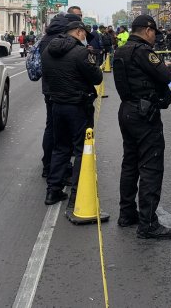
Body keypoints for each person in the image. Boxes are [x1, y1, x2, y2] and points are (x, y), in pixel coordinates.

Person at [113, 15, 171, 239]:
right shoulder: (143, 51)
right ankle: (148, 223)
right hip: (144, 114)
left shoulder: (120, 50)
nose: (154, 39)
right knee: (150, 166)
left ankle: (126, 213)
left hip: (127, 110)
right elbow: (164, 76)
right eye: (154, 34)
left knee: (130, 163)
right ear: (148, 31)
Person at [43, 20, 103, 206]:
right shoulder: (81, 52)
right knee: (81, 151)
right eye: (84, 33)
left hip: (57, 105)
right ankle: (78, 194)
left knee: (60, 148)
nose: (85, 37)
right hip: (78, 106)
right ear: (77, 32)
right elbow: (97, 77)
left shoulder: (48, 51)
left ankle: (53, 191)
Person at [38, 12, 82, 179]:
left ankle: (48, 166)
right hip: (65, 91)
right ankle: (61, 170)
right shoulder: (65, 40)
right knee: (64, 135)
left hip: (49, 88)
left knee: (51, 127)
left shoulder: (45, 38)